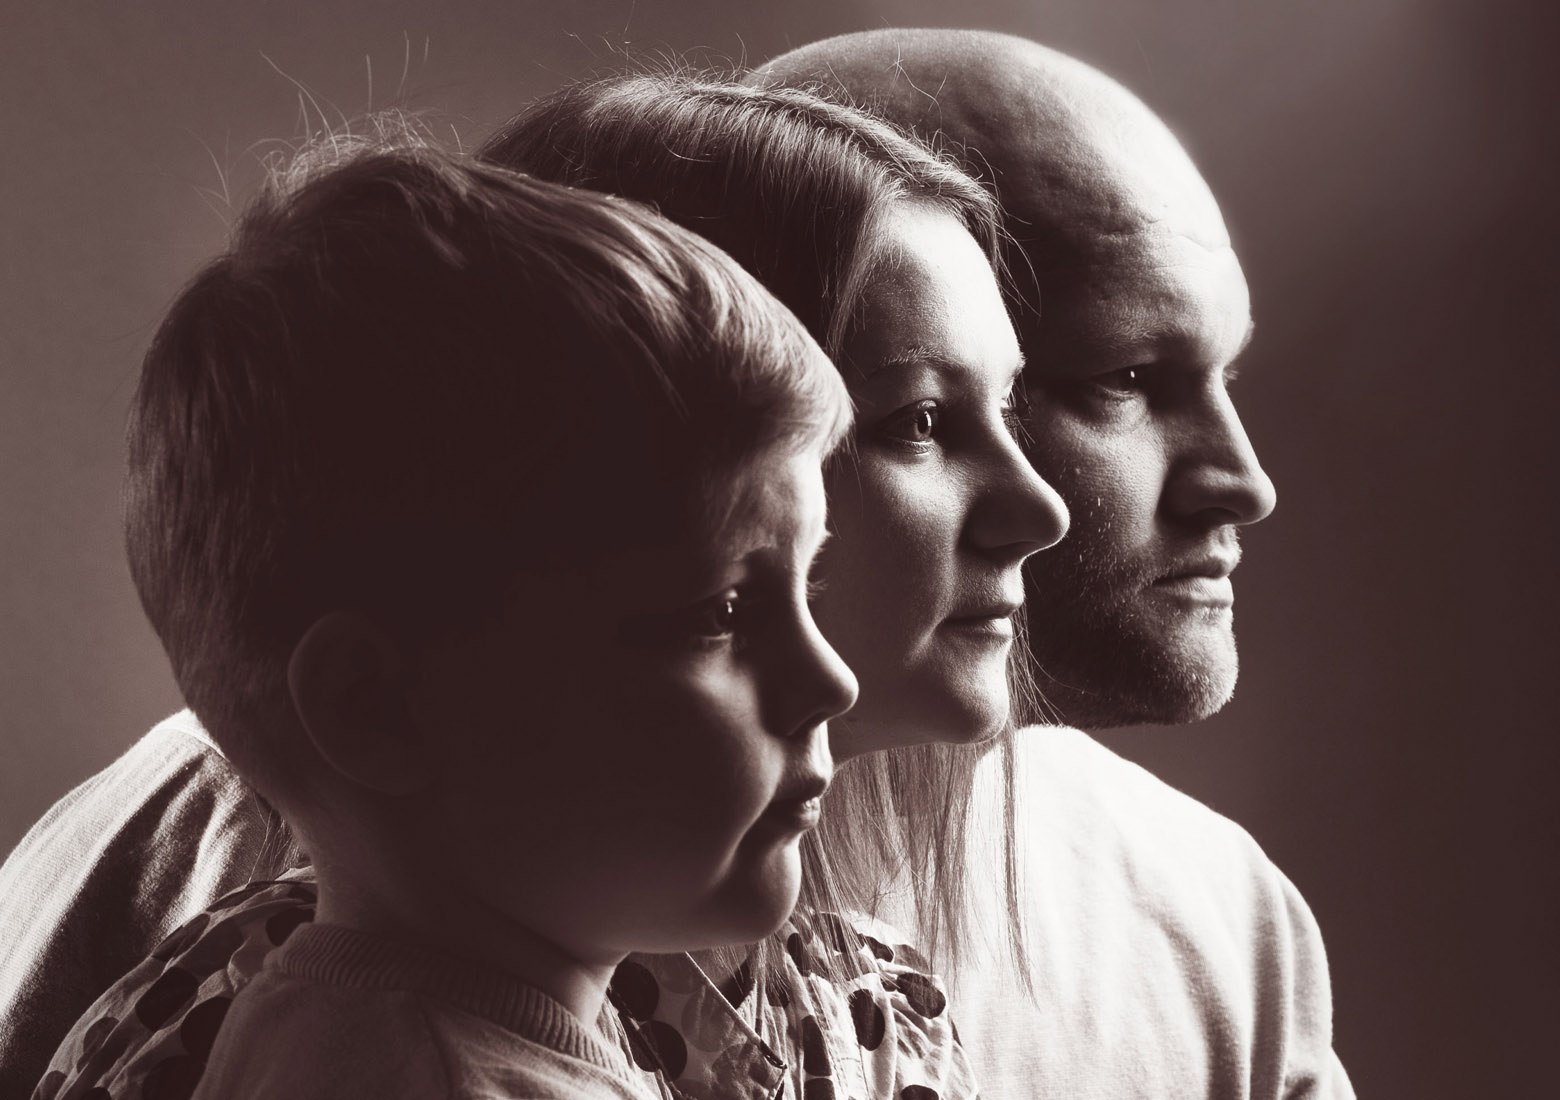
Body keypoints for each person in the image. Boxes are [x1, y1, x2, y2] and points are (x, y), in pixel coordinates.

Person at [32, 76, 1066, 1100]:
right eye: (919, 420)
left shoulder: (864, 1004)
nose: (1044, 507)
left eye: (1010, 406)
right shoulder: (273, 1016)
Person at [106, 130, 868, 1099]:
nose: (832, 680)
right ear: (378, 706)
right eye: (720, 611)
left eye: (809, 585)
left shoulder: (341, 1024)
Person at [753, 27, 1355, 1100]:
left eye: (1223, 374)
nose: (1243, 481)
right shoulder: (502, 938)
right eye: (1128, 376)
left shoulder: (1222, 920)